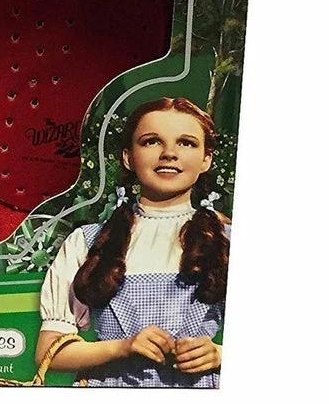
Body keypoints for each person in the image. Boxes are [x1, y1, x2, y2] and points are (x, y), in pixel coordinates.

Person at [36, 97, 230, 388]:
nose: (169, 154)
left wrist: (219, 354)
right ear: (128, 157)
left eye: (186, 143)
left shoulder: (227, 240)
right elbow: (49, 352)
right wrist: (123, 347)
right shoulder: (87, 241)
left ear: (206, 159)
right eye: (151, 141)